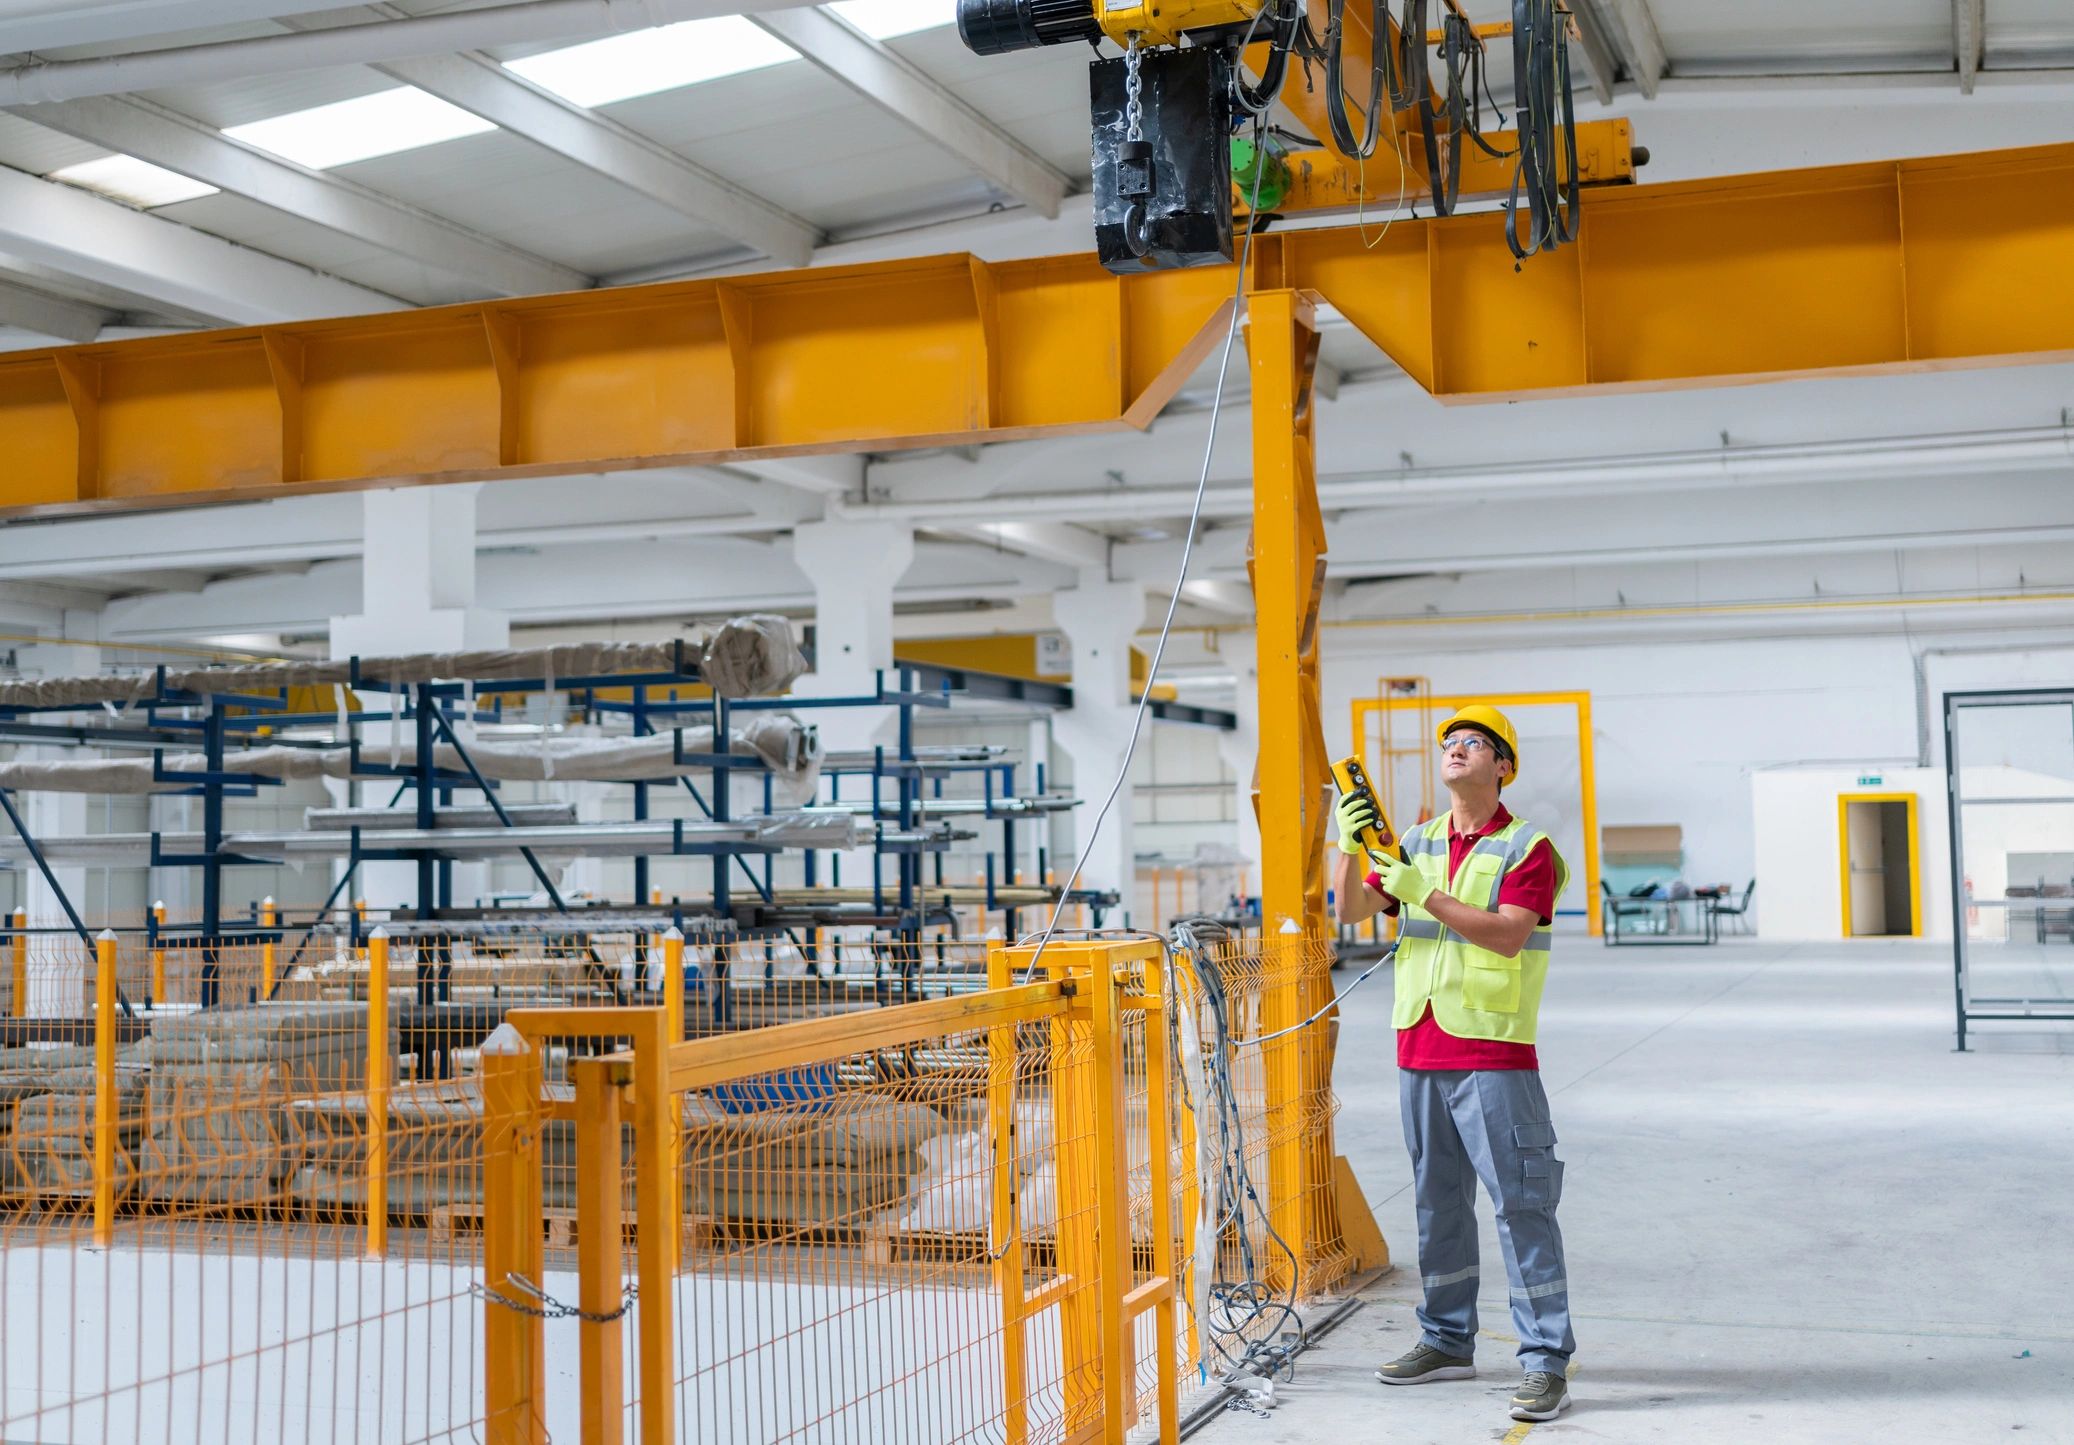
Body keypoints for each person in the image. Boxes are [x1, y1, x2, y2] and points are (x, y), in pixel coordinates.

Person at [1331, 704, 1576, 1424]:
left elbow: (1507, 936)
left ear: (1504, 766)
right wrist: (1349, 846)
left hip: (1493, 1051)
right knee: (1437, 1205)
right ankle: (1445, 1339)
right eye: (1450, 743)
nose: (1456, 749)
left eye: (1474, 742)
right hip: (1420, 1046)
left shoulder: (1527, 847)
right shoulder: (1414, 840)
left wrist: (1421, 892)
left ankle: (1544, 1362)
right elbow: (1348, 910)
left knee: (1521, 1206)